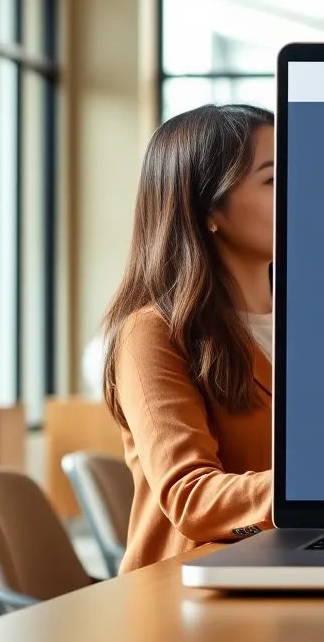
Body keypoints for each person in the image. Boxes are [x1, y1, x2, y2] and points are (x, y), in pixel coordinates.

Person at [101, 103, 277, 573]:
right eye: (273, 179)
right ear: (207, 210)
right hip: (188, 597)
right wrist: (323, 488)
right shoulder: (151, 334)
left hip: (291, 566)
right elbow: (191, 497)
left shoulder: (314, 323)